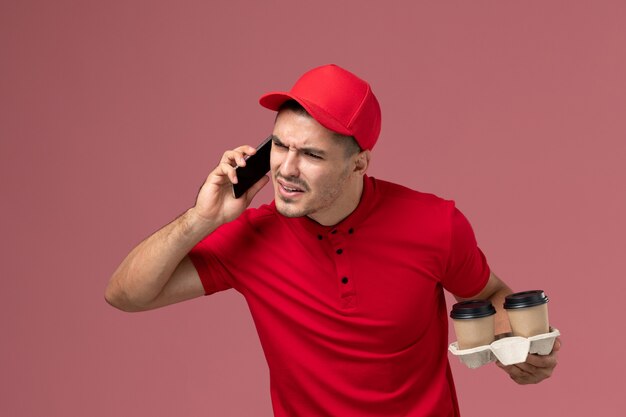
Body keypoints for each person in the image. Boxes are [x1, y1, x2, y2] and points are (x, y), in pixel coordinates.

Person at [105, 64, 560, 416]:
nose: (285, 168)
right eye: (281, 146)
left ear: (359, 164)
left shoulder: (435, 223)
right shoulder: (252, 235)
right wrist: (201, 219)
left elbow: (490, 294)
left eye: (311, 154)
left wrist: (515, 352)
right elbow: (126, 295)